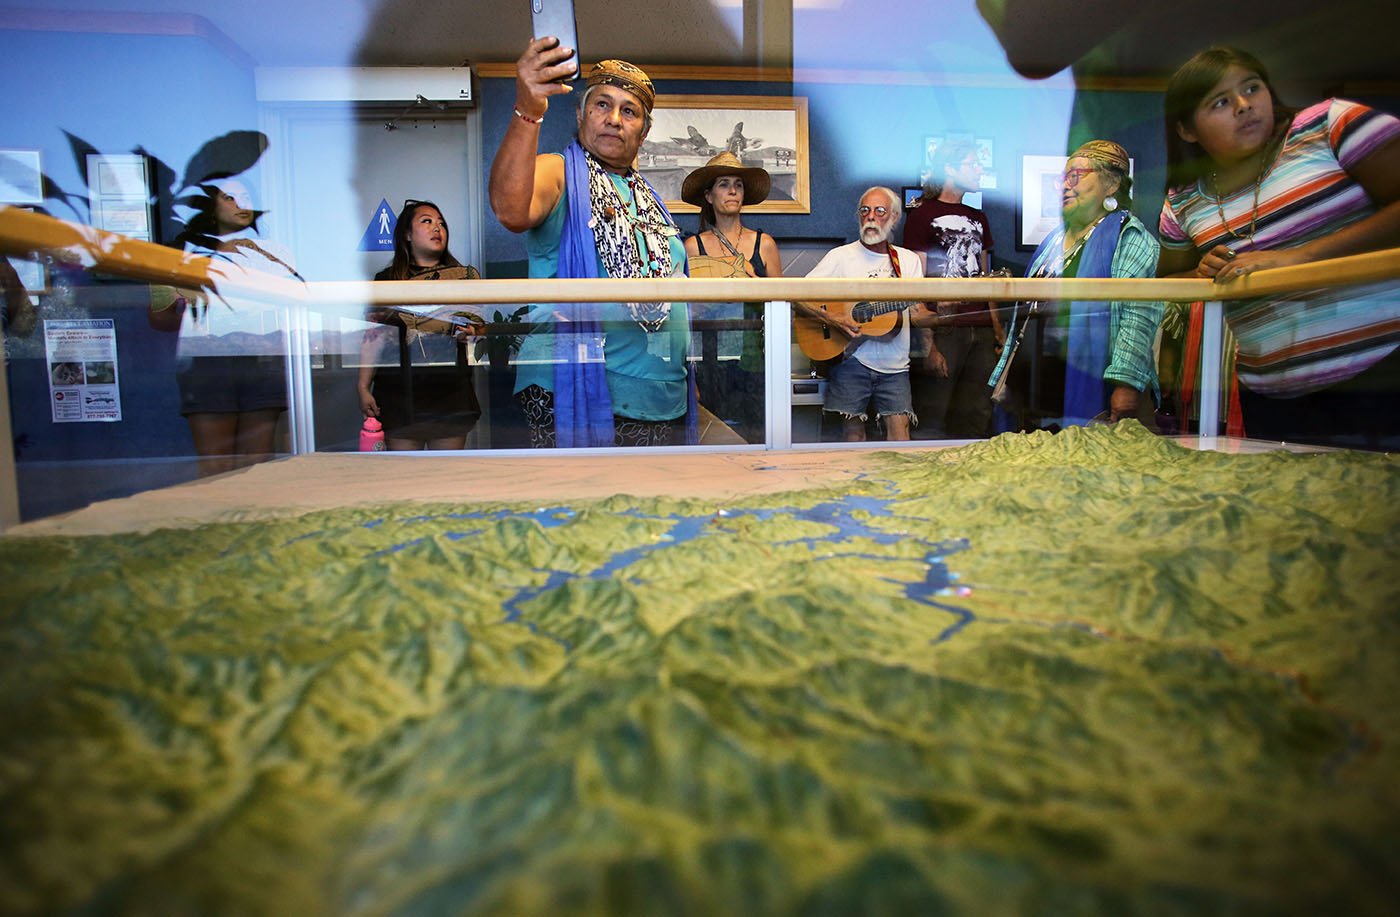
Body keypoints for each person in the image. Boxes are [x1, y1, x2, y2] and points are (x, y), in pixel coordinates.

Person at [1158, 46, 1400, 449]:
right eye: (1220, 102)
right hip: (1272, 399)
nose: (1243, 106)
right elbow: (1169, 280)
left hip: (1384, 377)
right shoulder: (1183, 201)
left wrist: (1296, 260)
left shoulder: (1328, 124)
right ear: (1187, 130)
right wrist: (1203, 272)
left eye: (1251, 88)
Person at [489, 44, 694, 449]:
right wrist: (527, 110)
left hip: (662, 395)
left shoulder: (649, 199)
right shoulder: (561, 171)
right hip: (574, 383)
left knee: (654, 512)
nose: (614, 119)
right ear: (581, 115)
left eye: (629, 111)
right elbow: (510, 209)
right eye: (602, 105)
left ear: (644, 132)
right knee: (589, 511)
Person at [988, 141, 1162, 430]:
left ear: (1111, 184)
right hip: (1038, 388)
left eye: (1077, 175)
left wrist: (1126, 384)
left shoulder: (1129, 237)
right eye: (1063, 179)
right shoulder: (1053, 240)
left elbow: (1138, 314)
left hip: (1097, 392)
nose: (1065, 186)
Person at [148, 176, 301, 477]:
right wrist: (197, 306)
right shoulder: (182, 252)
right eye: (230, 197)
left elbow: (293, 309)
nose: (241, 203)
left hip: (262, 358)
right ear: (210, 206)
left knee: (258, 464)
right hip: (207, 361)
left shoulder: (275, 252)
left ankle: (254, 522)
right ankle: (217, 523)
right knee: (216, 464)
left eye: (245, 196)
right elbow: (159, 318)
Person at [795, 187, 936, 442]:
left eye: (880, 211)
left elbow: (917, 313)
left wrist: (942, 313)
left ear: (893, 217)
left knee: (900, 433)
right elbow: (798, 296)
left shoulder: (907, 261)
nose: (871, 216)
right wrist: (834, 319)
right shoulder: (840, 257)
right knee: (852, 436)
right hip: (851, 360)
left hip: (895, 366)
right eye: (865, 210)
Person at [358, 200, 482, 451]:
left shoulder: (464, 277)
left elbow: (479, 328)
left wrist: (472, 334)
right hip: (398, 393)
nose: (437, 228)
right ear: (406, 234)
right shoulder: (386, 280)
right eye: (427, 221)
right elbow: (374, 336)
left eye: (441, 224)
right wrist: (362, 385)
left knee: (446, 480)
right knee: (405, 480)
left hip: (450, 393)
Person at [681, 151, 784, 443]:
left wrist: (756, 284)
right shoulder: (693, 246)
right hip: (707, 359)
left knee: (758, 436)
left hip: (755, 360)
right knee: (711, 437)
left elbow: (781, 306)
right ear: (709, 196)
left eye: (738, 184)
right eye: (724, 184)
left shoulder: (764, 244)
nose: (732, 190)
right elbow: (685, 312)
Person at [901, 139, 1002, 438]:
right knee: (934, 414)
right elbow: (915, 281)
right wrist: (928, 344)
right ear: (949, 168)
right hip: (944, 326)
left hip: (980, 328)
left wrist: (998, 329)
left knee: (978, 413)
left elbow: (986, 278)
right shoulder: (921, 215)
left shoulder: (979, 218)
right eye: (972, 164)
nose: (979, 170)